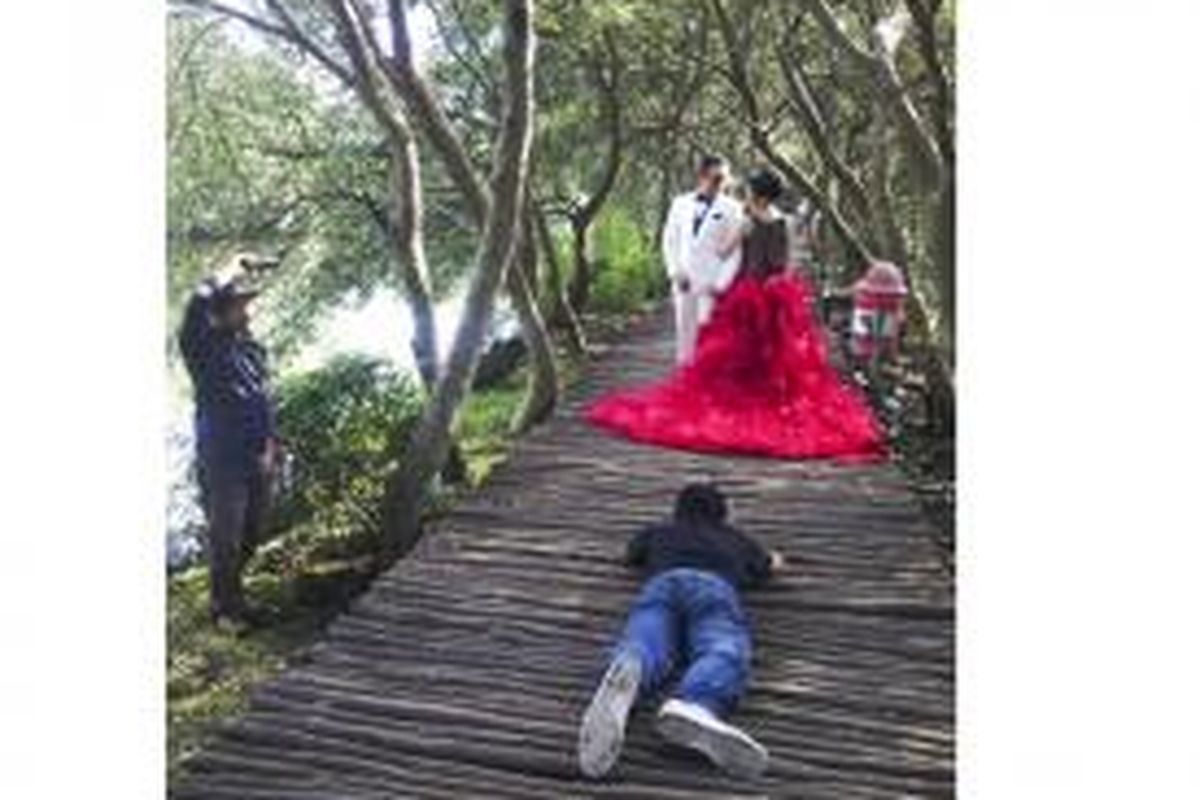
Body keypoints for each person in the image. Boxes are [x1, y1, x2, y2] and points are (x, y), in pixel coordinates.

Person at [586, 168, 884, 461]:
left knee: (737, 356)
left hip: (748, 294)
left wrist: (726, 236)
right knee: (777, 360)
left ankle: (743, 405)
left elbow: (725, 251)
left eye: (749, 191)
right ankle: (772, 404)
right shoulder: (784, 222)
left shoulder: (749, 221)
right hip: (777, 294)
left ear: (756, 194)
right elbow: (785, 264)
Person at [578, 484, 782, 779]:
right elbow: (767, 566)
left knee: (645, 639)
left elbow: (631, 553)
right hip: (712, 588)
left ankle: (628, 670)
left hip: (663, 582)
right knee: (720, 644)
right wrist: (774, 559)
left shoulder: (661, 531)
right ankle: (696, 702)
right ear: (721, 515)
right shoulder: (735, 539)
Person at [179, 253, 279, 627]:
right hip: (223, 461)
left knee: (254, 531)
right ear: (223, 311)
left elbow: (264, 400)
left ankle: (235, 597)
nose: (249, 311)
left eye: (249, 304)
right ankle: (225, 609)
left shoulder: (251, 349)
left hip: (258, 456)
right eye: (241, 305)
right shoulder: (201, 347)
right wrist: (233, 264)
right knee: (227, 537)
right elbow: (197, 301)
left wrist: (270, 446)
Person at [661, 154, 744, 364]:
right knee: (685, 338)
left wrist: (720, 284)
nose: (722, 183)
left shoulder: (732, 208)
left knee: (711, 339)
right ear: (702, 176)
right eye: (717, 177)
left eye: (724, 178)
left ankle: (709, 389)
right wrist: (675, 271)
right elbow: (670, 240)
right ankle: (684, 385)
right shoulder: (680, 204)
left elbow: (735, 251)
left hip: (712, 284)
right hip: (684, 282)